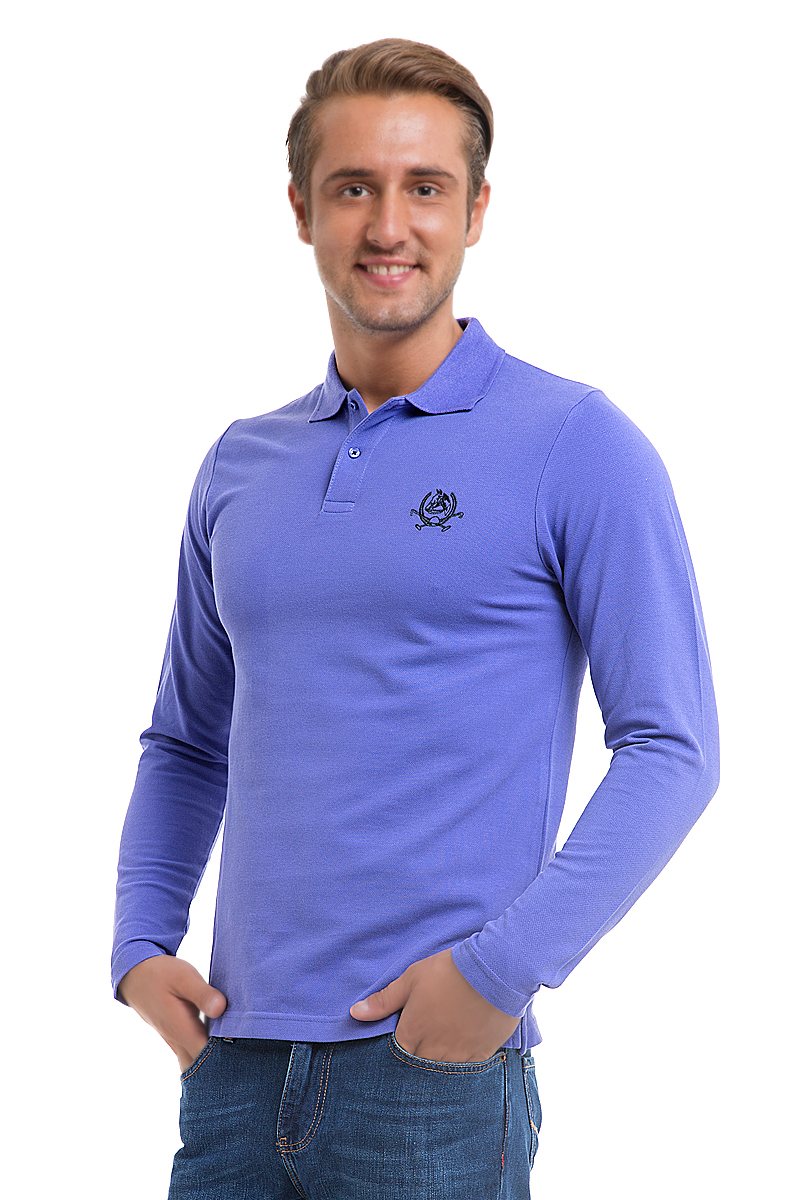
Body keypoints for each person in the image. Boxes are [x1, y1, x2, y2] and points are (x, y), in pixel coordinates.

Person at [112, 37, 720, 1199]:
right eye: (353, 187)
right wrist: (140, 944)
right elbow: (185, 743)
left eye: (424, 187)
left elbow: (672, 749)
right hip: (233, 1067)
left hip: (428, 1080)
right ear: (301, 210)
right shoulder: (240, 464)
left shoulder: (574, 444)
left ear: (475, 211)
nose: (388, 225)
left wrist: (496, 976)